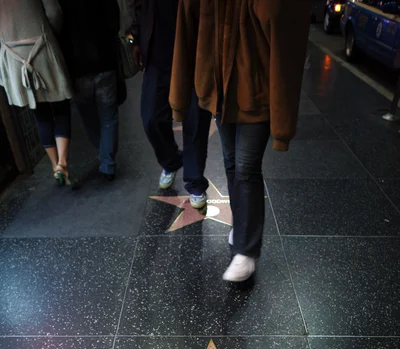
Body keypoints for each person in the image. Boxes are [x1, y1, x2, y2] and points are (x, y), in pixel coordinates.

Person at [170, 0, 312, 282]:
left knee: (246, 167)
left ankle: (246, 249)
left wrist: (283, 126)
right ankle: (242, 227)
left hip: (255, 90)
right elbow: (187, 25)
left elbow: (284, 30)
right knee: (232, 163)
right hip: (220, 91)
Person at [129, 0, 211, 209]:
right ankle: (171, 160)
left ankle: (194, 181)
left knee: (195, 119)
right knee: (150, 117)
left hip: (194, 48)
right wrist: (136, 38)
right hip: (158, 49)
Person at [0, 0, 74, 186]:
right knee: (61, 105)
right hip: (42, 50)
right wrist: (51, 34)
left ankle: (53, 165)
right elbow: (55, 13)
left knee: (40, 113)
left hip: (15, 58)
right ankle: (62, 163)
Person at [59, 0, 121, 182]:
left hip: (77, 66)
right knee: (109, 116)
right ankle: (107, 163)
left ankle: (104, 154)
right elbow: (114, 22)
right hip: (105, 60)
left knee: (88, 117)